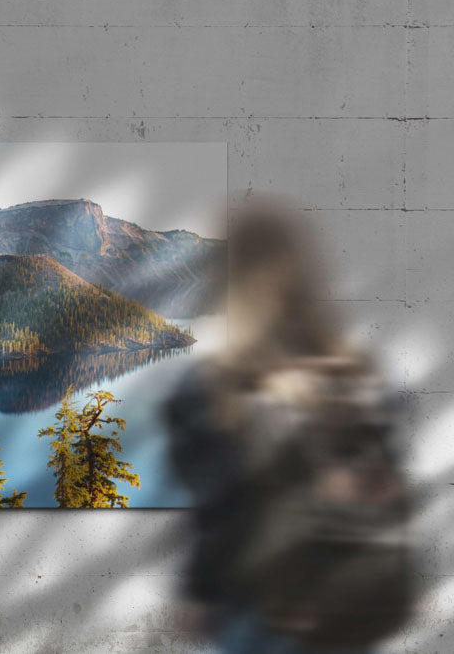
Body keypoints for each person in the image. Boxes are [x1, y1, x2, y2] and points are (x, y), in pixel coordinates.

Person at [163, 199, 413, 653]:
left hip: (260, 610)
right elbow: (392, 485)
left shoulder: (215, 388)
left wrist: (197, 592)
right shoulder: (357, 374)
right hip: (349, 604)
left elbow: (218, 513)